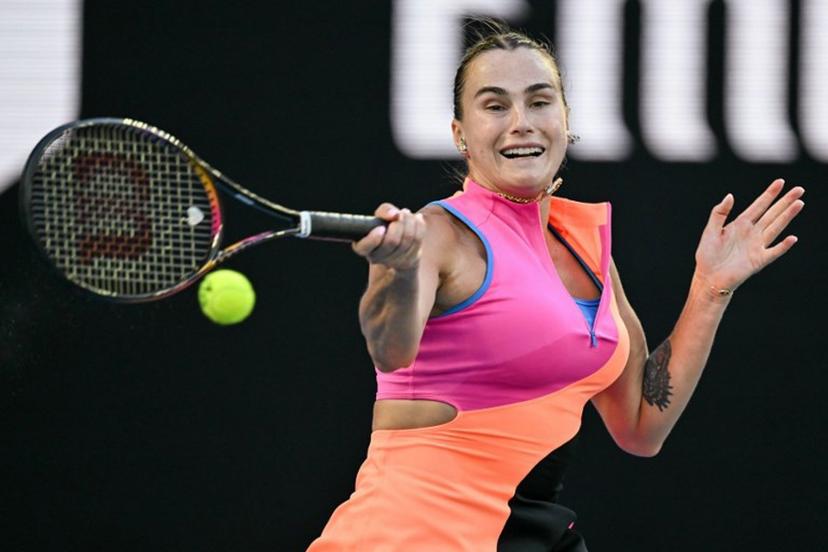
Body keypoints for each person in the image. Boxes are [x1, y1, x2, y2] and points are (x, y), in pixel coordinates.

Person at [307, 22, 804, 551]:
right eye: (495, 106)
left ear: (565, 120)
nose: (521, 123)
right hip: (413, 536)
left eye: (539, 102)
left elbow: (641, 425)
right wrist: (397, 270)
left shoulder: (586, 251)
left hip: (529, 535)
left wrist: (709, 288)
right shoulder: (437, 235)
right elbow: (390, 349)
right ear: (460, 133)